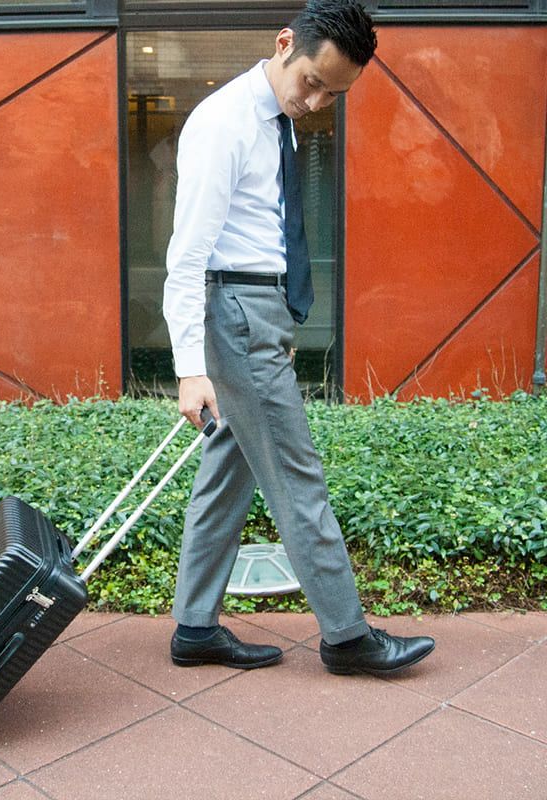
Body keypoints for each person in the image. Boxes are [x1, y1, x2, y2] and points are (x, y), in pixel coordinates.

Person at [162, 0, 435, 675]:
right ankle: (347, 637)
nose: (315, 102)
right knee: (297, 474)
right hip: (237, 313)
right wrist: (191, 369)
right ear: (285, 43)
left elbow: (263, 232)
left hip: (256, 311)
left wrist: (279, 317)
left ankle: (194, 627)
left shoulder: (275, 120)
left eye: (333, 94)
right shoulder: (224, 122)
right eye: (312, 82)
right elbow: (187, 258)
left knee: (228, 473)